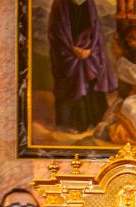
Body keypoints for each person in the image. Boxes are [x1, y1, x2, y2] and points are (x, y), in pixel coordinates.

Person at [47, 0, 116, 131]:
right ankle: (72, 124)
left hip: (89, 52)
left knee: (91, 80)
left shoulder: (89, 2)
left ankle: (95, 119)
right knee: (71, 84)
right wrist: (73, 49)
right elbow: (57, 32)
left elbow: (96, 30)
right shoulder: (60, 4)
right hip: (68, 53)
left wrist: (90, 49)